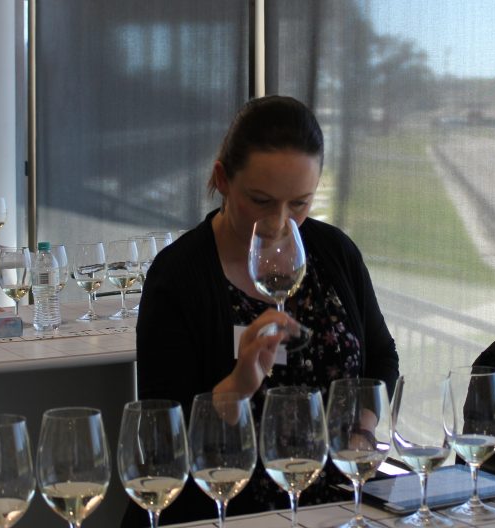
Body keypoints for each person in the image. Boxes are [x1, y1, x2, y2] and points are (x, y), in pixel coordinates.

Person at [126, 95, 399, 526]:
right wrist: (238, 383)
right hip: (222, 512)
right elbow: (163, 438)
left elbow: (382, 359)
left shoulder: (333, 252)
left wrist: (362, 433)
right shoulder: (179, 277)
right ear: (223, 179)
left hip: (335, 510)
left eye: (300, 204)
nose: (278, 223)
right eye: (261, 201)